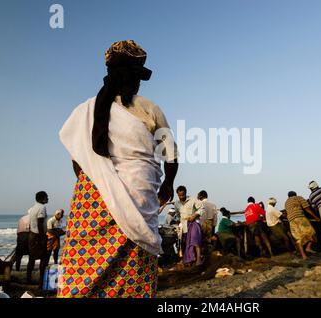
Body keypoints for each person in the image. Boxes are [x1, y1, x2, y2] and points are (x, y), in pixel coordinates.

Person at [58, 40, 178, 298]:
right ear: (133, 76)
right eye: (137, 77)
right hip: (130, 197)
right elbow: (170, 155)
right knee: (129, 272)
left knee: (84, 266)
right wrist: (166, 185)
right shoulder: (143, 108)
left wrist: (101, 182)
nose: (138, 83)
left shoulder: (87, 110)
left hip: (92, 199)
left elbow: (78, 163)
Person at [285, 191, 319, 259]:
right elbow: (307, 209)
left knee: (299, 238)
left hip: (291, 221)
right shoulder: (298, 198)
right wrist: (316, 217)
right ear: (295, 194)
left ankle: (304, 256)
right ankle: (308, 247)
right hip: (300, 217)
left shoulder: (286, 202)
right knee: (312, 232)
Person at [174, 186, 203, 266]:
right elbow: (177, 214)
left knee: (195, 240)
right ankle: (188, 260)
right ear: (177, 194)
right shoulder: (176, 203)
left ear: (185, 193)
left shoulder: (193, 199)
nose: (181, 197)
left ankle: (198, 260)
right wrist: (177, 222)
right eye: (179, 195)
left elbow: (201, 208)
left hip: (194, 223)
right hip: (183, 226)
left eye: (183, 195)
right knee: (185, 243)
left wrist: (194, 215)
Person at [26, 191, 49, 287]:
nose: (48, 199)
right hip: (38, 236)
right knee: (44, 258)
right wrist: (42, 237)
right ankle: (41, 281)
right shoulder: (42, 207)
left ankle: (28, 279)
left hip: (32, 235)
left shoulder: (33, 208)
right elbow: (40, 222)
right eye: (46, 197)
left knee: (32, 258)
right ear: (42, 198)